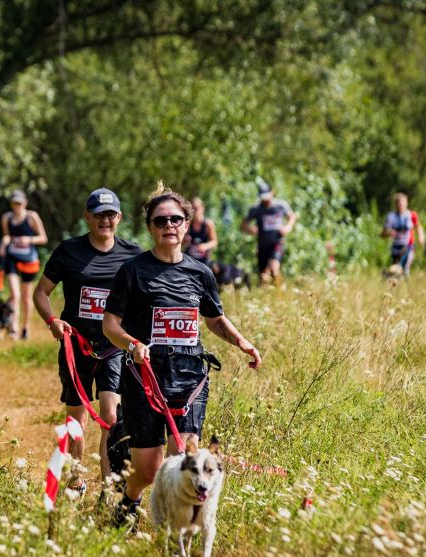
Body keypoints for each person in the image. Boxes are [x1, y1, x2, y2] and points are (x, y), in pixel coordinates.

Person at [102, 183, 261, 528]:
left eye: (175, 219)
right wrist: (132, 344)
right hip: (144, 377)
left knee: (182, 463)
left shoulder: (200, 272)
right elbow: (110, 325)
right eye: (160, 221)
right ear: (150, 228)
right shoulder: (132, 271)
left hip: (189, 378)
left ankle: (174, 535)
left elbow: (215, 319)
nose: (168, 226)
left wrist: (242, 343)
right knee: (148, 469)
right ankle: (129, 501)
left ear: (187, 225)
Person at [33, 189, 142, 494]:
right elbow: (40, 292)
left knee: (110, 416)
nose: (105, 220)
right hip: (75, 346)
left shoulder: (133, 255)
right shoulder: (68, 251)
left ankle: (110, 487)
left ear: (119, 217)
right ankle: (76, 480)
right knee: (76, 418)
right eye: (98, 214)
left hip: (112, 348)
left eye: (111, 214)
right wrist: (53, 321)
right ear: (87, 218)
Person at [0, 190, 48, 339]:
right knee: (15, 294)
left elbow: (43, 238)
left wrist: (29, 240)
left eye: (19, 203)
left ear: (25, 202)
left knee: (26, 297)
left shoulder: (32, 217)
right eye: (14, 203)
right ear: (11, 204)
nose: (17, 206)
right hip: (12, 257)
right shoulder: (6, 218)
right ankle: (13, 328)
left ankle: (25, 328)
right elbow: (6, 235)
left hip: (28, 259)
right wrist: (3, 242)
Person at [241, 182, 297, 284]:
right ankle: (270, 295)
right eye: (263, 198)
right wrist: (250, 229)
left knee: (274, 269)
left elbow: (292, 217)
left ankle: (281, 294)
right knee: (264, 277)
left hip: (277, 242)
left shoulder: (281, 205)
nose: (265, 200)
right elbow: (244, 224)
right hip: (262, 245)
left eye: (267, 197)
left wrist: (288, 227)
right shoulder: (256, 209)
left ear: (272, 192)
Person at [381, 192, 424, 277]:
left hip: (408, 245)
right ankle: (389, 277)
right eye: (398, 203)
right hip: (396, 246)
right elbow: (383, 234)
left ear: (407, 203)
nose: (400, 204)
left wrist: (421, 237)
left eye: (403, 202)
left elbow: (418, 226)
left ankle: (406, 286)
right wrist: (389, 233)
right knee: (396, 268)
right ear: (395, 204)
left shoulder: (411, 215)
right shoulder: (391, 217)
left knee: (405, 267)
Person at [183, 196, 218, 266]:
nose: (195, 211)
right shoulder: (188, 224)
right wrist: (185, 240)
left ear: (202, 208)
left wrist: (205, 246)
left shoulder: (208, 224)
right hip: (190, 259)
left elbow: (215, 242)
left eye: (196, 208)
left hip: (203, 260)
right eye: (192, 209)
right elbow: (182, 242)